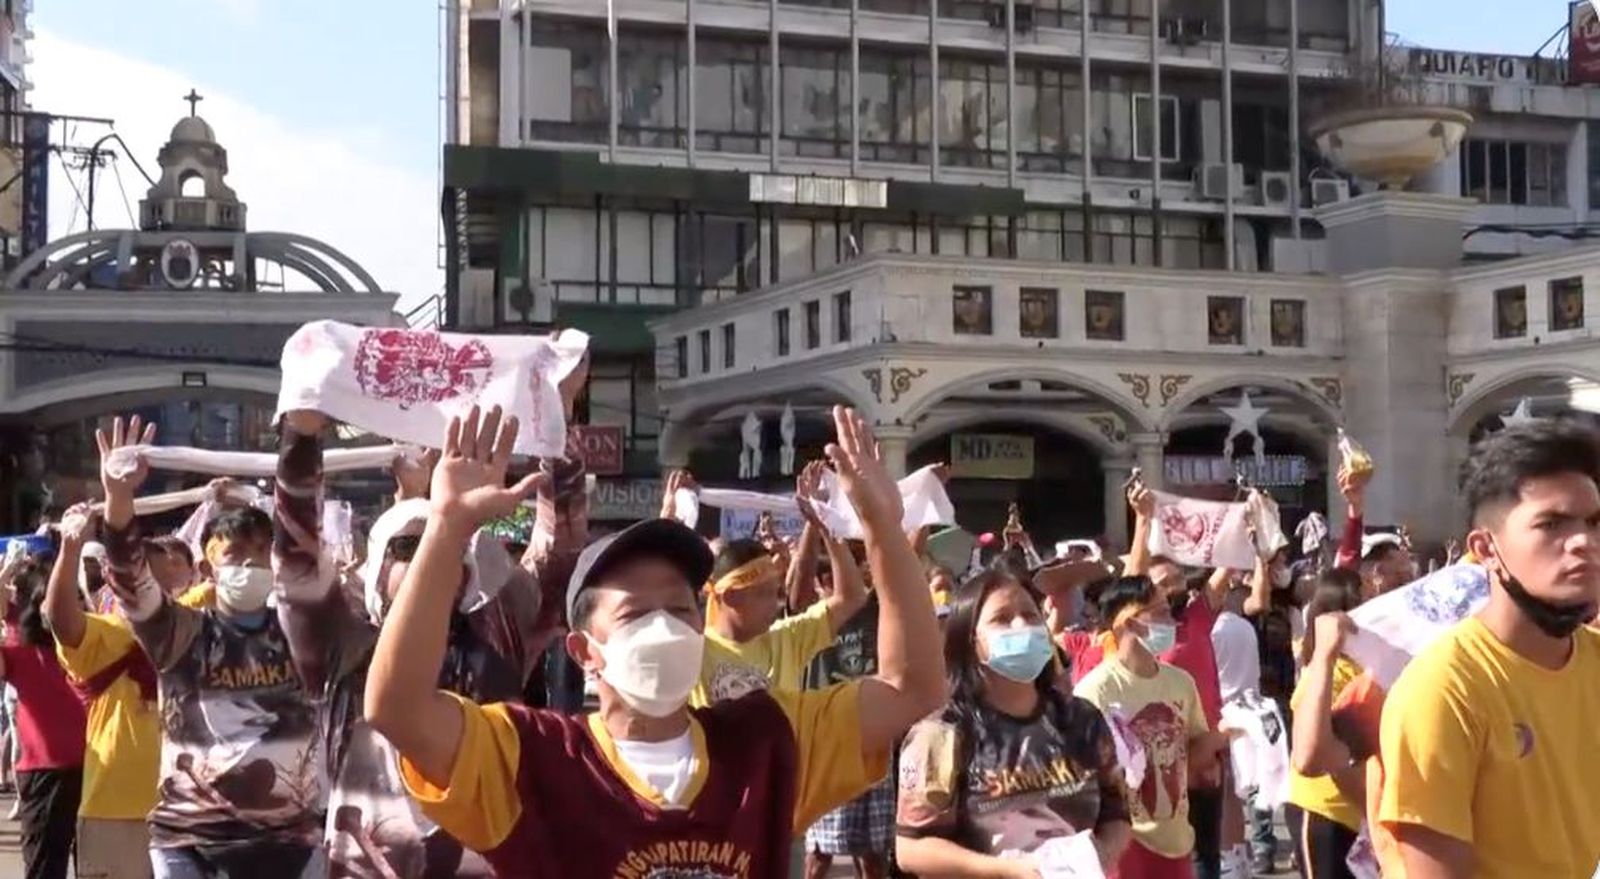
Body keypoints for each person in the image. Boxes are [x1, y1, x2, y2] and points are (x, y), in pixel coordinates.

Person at [365, 405, 947, 876]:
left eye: (679, 608)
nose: (666, 628)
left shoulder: (767, 742)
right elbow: (397, 709)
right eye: (636, 614)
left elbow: (911, 685)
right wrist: (444, 529)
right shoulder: (529, 757)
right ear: (585, 653)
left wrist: (883, 533)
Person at [96, 417, 323, 878]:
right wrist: (119, 499)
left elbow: (308, 529)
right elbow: (127, 574)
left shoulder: (305, 633)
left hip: (291, 840)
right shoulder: (179, 633)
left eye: (260, 553)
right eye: (234, 555)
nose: (249, 564)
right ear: (206, 565)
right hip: (190, 841)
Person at [1379, 421, 1600, 877]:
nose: (1584, 542)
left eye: (1595, 523)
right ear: (1486, 549)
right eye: (1552, 524)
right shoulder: (1444, 690)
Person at [896, 566, 1132, 876]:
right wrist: (1005, 870)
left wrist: (1102, 854)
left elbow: (1117, 813)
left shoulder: (1081, 719)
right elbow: (912, 848)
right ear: (971, 641)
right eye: (1002, 619)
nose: (1021, 625)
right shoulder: (941, 735)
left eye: (1031, 616)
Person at [1075, 577, 1230, 879]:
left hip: (1176, 841)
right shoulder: (1095, 692)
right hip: (1125, 845)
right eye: (1158, 613)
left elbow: (1191, 756)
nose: (1170, 621)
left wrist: (1227, 733)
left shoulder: (1180, 682)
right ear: (1128, 623)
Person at [1, 556, 87, 879]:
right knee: (44, 870)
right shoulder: (19, 650)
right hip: (43, 775)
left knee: (98, 868)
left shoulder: (100, 645)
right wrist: (7, 571)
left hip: (100, 773)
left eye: (76, 600)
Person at [1286, 572, 1364, 879]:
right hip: (1325, 812)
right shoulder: (1322, 673)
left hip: (1359, 813)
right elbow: (1310, 756)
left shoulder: (1363, 666)